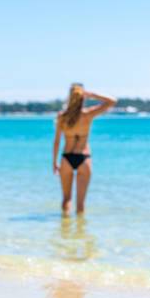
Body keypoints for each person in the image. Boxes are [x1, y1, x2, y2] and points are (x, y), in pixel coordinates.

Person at [53, 84, 116, 214]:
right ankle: (80, 233)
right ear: (83, 97)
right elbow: (112, 101)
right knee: (80, 205)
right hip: (84, 157)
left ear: (69, 97)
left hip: (66, 158)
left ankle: (65, 230)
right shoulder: (88, 115)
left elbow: (57, 141)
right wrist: (92, 94)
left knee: (66, 199)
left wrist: (54, 162)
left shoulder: (62, 117)